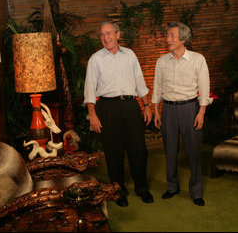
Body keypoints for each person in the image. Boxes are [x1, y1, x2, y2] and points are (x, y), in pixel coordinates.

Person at [84, 21, 153, 207]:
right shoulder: (95, 59)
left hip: (131, 106)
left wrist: (146, 105)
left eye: (109, 33)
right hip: (108, 108)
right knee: (113, 152)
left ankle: (142, 188)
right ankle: (118, 190)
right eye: (102, 35)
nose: (105, 37)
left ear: (118, 35)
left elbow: (139, 81)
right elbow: (90, 89)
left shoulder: (130, 54)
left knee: (138, 149)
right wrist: (93, 114)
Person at [152, 22, 213, 207]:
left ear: (183, 39)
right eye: (167, 35)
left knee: (194, 151)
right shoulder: (161, 61)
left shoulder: (198, 59)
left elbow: (204, 88)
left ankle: (196, 192)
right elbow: (157, 87)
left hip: (190, 109)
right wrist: (156, 111)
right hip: (168, 110)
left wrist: (201, 113)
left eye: (171, 36)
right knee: (170, 150)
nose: (167, 39)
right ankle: (172, 187)